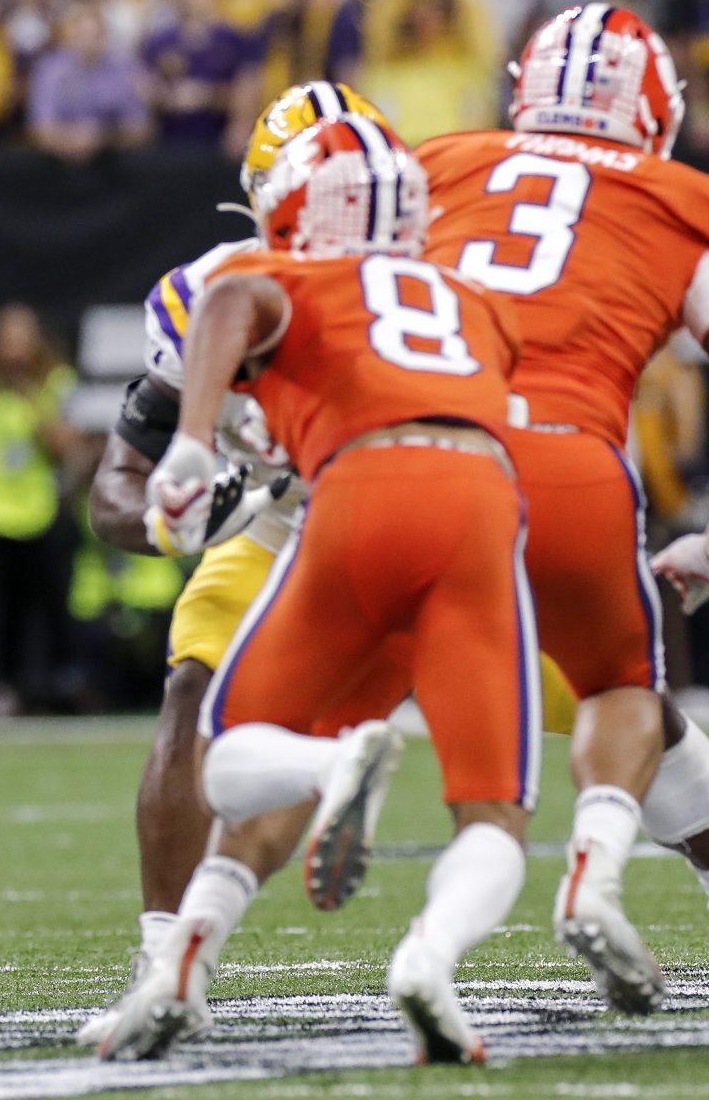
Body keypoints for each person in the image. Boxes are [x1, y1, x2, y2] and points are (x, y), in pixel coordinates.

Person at [104, 113, 537, 1065]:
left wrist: (189, 448)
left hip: (349, 501)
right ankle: (432, 950)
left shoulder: (252, 279)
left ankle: (320, 781)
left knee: (235, 747)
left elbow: (231, 306)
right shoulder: (464, 285)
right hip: (467, 504)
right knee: (528, 777)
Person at [80, 81, 426, 1046]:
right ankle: (166, 961)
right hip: (286, 520)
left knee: (612, 698)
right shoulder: (212, 292)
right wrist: (167, 524)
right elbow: (119, 481)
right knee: (194, 688)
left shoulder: (441, 272)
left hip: (413, 509)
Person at [420, 3, 709, 1012]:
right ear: (655, 113)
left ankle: (186, 941)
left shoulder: (441, 160)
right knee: (621, 685)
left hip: (407, 462)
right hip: (566, 465)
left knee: (289, 685)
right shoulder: (681, 197)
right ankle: (594, 864)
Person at [0, 303, 76, 715]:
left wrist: (30, 395)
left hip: (38, 513)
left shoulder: (55, 383)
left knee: (51, 606)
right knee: (3, 610)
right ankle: (6, 689)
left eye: (20, 336)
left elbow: (65, 446)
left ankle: (62, 687)